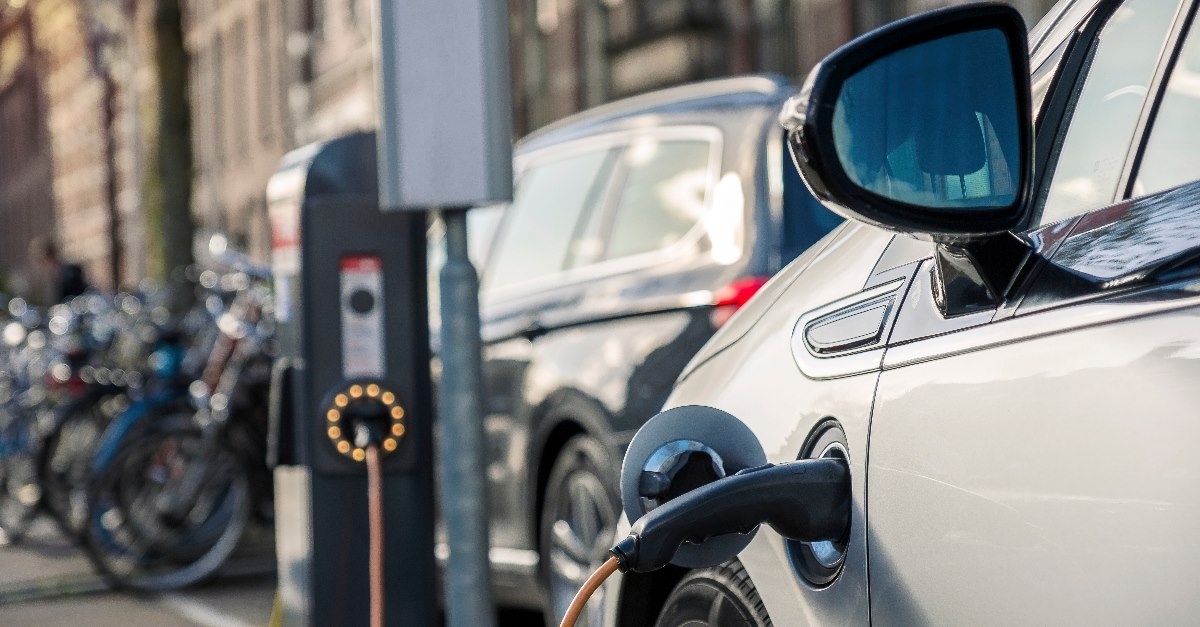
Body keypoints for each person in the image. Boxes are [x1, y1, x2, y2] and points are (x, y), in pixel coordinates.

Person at [30, 236, 88, 304]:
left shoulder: (70, 272)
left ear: (47, 257)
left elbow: (79, 295)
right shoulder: (54, 275)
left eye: (40, 260)